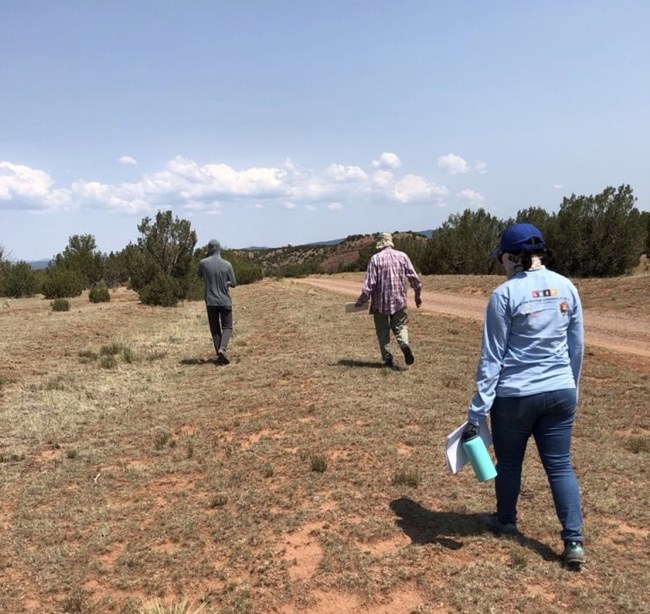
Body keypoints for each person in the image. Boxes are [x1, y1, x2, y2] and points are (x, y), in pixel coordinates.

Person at [464, 223, 586, 566]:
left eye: (502, 257)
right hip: (561, 391)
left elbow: (492, 357)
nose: (501, 264)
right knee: (560, 466)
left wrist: (477, 411)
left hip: (515, 396)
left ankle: (506, 520)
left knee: (510, 464)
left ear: (513, 258)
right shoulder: (567, 287)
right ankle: (573, 541)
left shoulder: (504, 295)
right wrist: (571, 387)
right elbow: (575, 346)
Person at [355, 232, 422, 368]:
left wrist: (361, 301)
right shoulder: (402, 256)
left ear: (380, 244)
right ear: (390, 242)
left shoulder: (375, 259)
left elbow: (370, 285)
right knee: (401, 326)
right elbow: (414, 278)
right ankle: (404, 345)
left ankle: (387, 359)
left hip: (380, 302)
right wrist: (417, 295)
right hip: (399, 300)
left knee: (382, 330)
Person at [197, 239, 237, 365]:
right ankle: (222, 348)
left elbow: (198, 276)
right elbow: (234, 283)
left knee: (215, 329)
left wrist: (205, 257)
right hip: (225, 301)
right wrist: (227, 283)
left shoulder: (203, 263)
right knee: (227, 327)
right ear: (219, 249)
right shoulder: (227, 264)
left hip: (211, 301)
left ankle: (219, 356)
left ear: (210, 250)